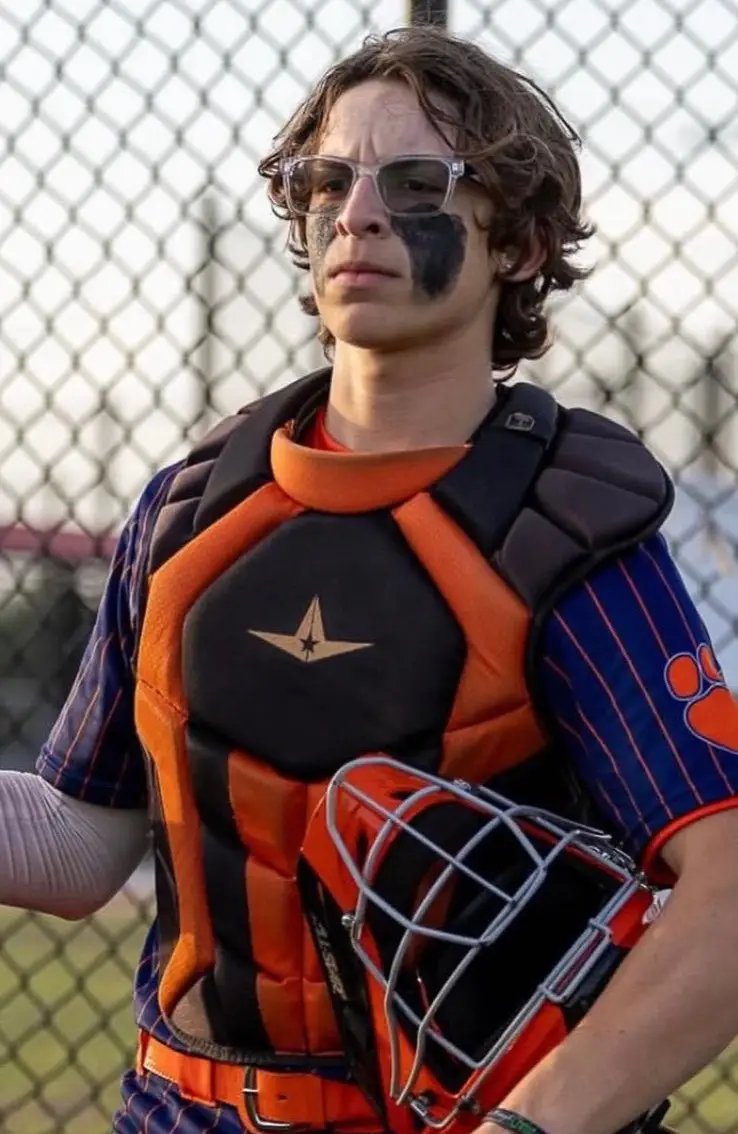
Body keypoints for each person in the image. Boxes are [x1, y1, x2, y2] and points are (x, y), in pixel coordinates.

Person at [2, 22, 738, 1134]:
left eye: (416, 183)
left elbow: (725, 884)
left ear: (520, 243)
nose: (356, 214)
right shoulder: (192, 511)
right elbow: (79, 839)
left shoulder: (563, 531)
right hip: (177, 1108)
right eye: (327, 181)